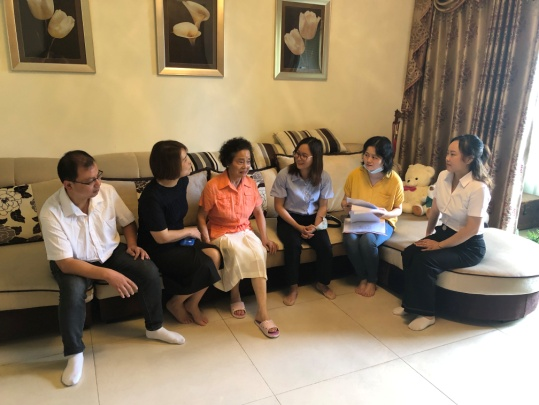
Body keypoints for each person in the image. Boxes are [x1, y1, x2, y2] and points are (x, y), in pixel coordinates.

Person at [39, 151, 184, 387]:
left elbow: (127, 221)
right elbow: (65, 263)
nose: (98, 183)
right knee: (73, 293)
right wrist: (108, 274)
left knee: (148, 270)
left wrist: (133, 244)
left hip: (109, 250)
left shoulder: (106, 191)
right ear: (68, 184)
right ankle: (74, 353)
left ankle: (155, 327)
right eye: (90, 181)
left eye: (98, 175)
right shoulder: (51, 211)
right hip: (74, 261)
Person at [393, 134, 492, 331]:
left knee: (425, 261)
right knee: (410, 252)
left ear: (469, 158)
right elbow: (436, 209)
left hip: (468, 245)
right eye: (447, 153)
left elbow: (472, 228)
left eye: (453, 154)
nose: (447, 158)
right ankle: (410, 305)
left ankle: (427, 314)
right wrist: (428, 235)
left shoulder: (478, 188)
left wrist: (439, 245)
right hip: (445, 232)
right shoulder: (443, 176)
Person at [197, 137, 280, 338]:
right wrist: (206, 241)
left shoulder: (251, 184)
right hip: (221, 231)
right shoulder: (213, 186)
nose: (245, 166)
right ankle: (235, 296)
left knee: (259, 252)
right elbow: (201, 216)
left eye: (248, 161)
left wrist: (264, 238)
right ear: (228, 162)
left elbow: (258, 212)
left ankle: (262, 313)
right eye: (240, 161)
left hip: (244, 229)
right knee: (235, 250)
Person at [137, 141, 221, 326]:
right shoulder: (151, 197)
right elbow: (161, 237)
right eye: (184, 159)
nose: (189, 162)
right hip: (157, 247)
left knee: (215, 255)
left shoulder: (182, 181)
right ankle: (175, 303)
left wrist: (187, 233)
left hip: (179, 238)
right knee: (205, 264)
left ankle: (191, 303)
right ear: (170, 165)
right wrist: (190, 230)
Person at [270, 137, 335, 306]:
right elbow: (278, 207)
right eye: (297, 153)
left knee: (325, 247)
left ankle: (322, 283)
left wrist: (315, 226)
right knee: (293, 245)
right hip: (289, 218)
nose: (298, 158)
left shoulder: (324, 177)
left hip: (313, 218)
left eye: (304, 155)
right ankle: (293, 288)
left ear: (315, 158)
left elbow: (323, 206)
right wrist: (298, 227)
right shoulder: (285, 175)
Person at [341, 136, 404, 297]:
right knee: (350, 239)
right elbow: (345, 199)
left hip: (383, 221)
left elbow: (398, 209)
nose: (369, 160)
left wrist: (386, 213)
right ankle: (362, 277)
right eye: (366, 155)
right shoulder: (355, 174)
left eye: (375, 157)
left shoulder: (394, 180)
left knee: (367, 240)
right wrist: (345, 204)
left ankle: (372, 280)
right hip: (358, 218)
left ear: (385, 159)